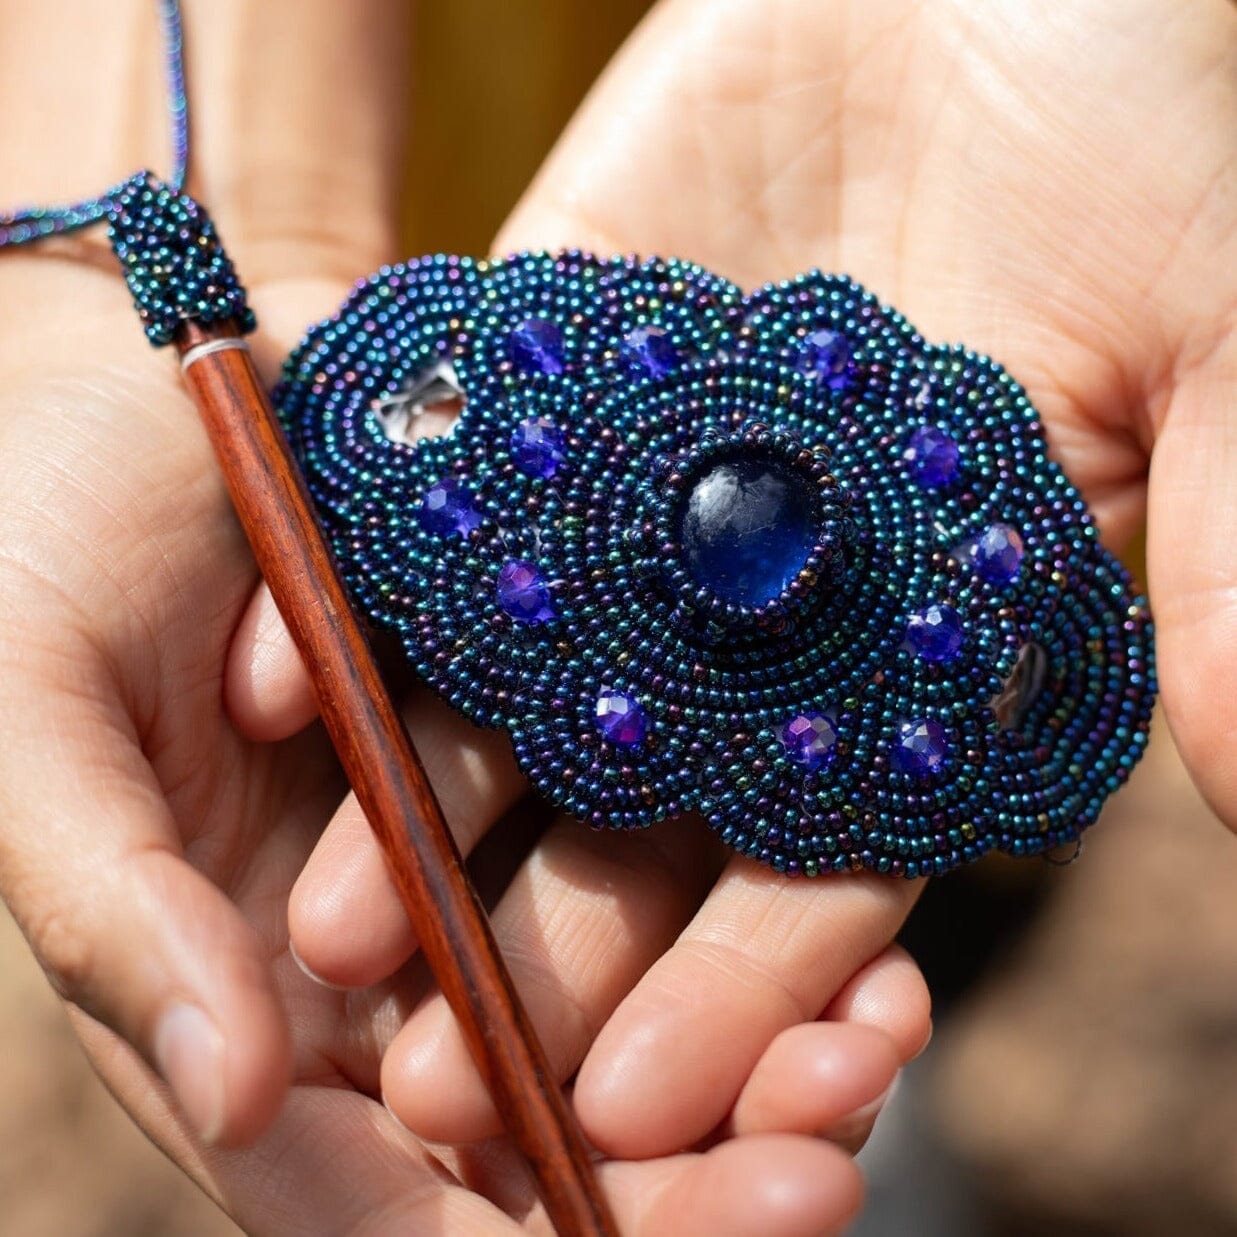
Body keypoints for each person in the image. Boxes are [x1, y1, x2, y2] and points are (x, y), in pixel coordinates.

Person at [0, 1, 1231, 1233]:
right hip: (453, 266)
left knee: (890, 907)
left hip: (920, 341)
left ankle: (887, 1100)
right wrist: (206, 193)